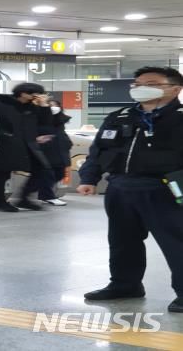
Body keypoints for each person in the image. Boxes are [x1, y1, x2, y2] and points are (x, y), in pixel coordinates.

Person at [77, 66, 183, 313]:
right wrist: (88, 178)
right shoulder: (120, 116)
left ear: (175, 89)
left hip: (166, 188)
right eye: (136, 84)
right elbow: (98, 151)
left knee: (176, 242)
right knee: (122, 241)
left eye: (152, 83)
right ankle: (125, 285)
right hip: (120, 189)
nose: (140, 88)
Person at [0, 91, 35, 212]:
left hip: (13, 145)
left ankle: (1, 201)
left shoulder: (19, 107)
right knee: (1, 174)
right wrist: (6, 135)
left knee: (4, 174)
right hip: (3, 145)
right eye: (32, 93)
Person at [11, 83, 55, 211]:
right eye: (34, 94)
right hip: (13, 144)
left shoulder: (31, 107)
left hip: (30, 144)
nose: (37, 97)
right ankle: (0, 201)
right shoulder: (7, 105)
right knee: (2, 173)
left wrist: (44, 105)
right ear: (23, 93)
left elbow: (46, 122)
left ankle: (23, 198)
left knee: (43, 170)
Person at [36, 100, 73, 206]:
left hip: (60, 148)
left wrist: (67, 143)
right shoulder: (40, 117)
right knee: (48, 173)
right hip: (46, 148)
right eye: (50, 105)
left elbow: (62, 123)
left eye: (55, 105)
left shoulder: (60, 118)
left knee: (60, 173)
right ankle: (47, 196)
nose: (53, 107)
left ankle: (44, 193)